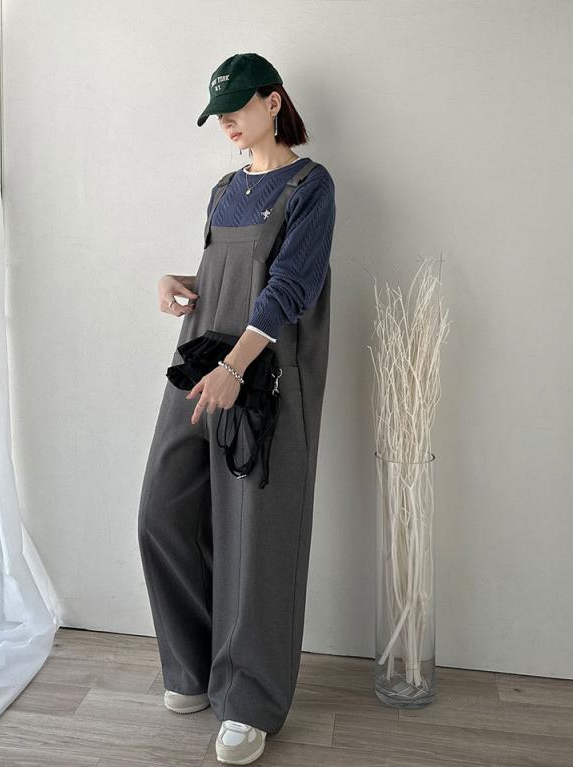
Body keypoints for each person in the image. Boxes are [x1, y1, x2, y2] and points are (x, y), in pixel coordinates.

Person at [137, 52, 335, 765]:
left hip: (260, 373)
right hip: (201, 361)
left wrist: (234, 367)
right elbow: (222, 273)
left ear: (272, 102)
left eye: (237, 108)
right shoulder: (225, 189)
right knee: (163, 511)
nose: (226, 122)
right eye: (218, 114)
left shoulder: (311, 186)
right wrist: (175, 278)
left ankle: (248, 700)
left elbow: (288, 288)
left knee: (258, 537)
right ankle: (195, 666)